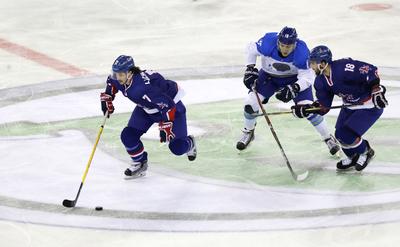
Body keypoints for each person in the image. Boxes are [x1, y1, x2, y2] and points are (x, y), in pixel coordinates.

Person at [236, 26, 340, 155]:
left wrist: (295, 87)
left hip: (294, 80)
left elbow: (308, 76)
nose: (285, 49)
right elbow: (251, 48)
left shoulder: (302, 53)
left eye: (289, 46)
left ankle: (328, 138)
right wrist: (250, 68)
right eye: (282, 45)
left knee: (308, 109)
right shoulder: (268, 42)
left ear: (295, 44)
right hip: (269, 77)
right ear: (278, 41)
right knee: (250, 103)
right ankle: (248, 132)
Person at [291, 45, 388, 171]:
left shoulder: (344, 67)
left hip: (368, 105)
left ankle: (366, 151)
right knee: (340, 135)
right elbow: (324, 107)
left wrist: (376, 90)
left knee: (347, 135)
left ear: (323, 63)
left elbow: (370, 70)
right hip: (349, 105)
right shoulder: (320, 81)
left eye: (314, 63)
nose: (311, 66)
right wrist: (305, 109)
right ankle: (353, 156)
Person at [100, 55, 197, 178]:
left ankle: (190, 143)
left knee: (177, 148)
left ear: (129, 74)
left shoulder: (142, 88)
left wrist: (166, 124)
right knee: (128, 135)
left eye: (120, 74)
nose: (117, 77)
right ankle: (140, 163)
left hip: (172, 109)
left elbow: (168, 105)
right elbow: (111, 82)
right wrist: (108, 96)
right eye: (116, 74)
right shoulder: (120, 78)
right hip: (147, 108)